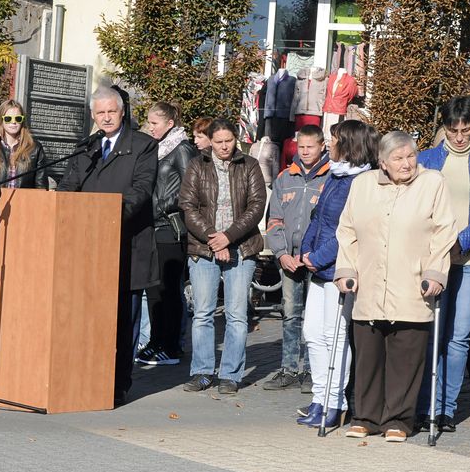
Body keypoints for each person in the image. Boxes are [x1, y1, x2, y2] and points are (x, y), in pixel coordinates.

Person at [335, 130, 457, 442]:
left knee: (406, 357)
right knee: (368, 356)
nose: (406, 163)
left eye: (411, 156)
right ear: (382, 163)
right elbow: (347, 229)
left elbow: (445, 231)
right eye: (398, 158)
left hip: (412, 283)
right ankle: (365, 416)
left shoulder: (432, 183)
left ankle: (399, 420)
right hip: (369, 284)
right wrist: (347, 269)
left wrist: (434, 271)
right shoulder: (363, 185)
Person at [58, 87, 159, 406]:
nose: (105, 117)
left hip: (125, 246)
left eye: (111, 112)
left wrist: (105, 218)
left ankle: (118, 384)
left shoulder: (142, 146)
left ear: (122, 112)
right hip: (85, 251)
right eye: (100, 113)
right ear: (93, 115)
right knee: (86, 318)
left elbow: (141, 191)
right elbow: (67, 186)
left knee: (121, 321)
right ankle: (84, 377)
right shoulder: (85, 147)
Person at [414, 97, 470, 432]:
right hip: (433, 261)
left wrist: (459, 241)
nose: (461, 137)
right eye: (454, 130)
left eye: (467, 130)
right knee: (431, 332)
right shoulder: (427, 160)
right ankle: (426, 405)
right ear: (444, 128)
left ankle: (447, 409)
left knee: (458, 336)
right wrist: (437, 247)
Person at [295, 121, 378, 428]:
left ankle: (335, 402)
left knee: (335, 336)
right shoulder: (335, 173)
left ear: (349, 143)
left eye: (333, 140)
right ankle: (319, 397)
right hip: (318, 266)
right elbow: (318, 218)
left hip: (339, 268)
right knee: (313, 334)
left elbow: (350, 229)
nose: (329, 145)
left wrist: (318, 256)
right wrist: (306, 250)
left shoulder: (363, 181)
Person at [178, 118, 266, 395]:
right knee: (203, 313)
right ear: (210, 142)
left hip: (241, 246)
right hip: (204, 248)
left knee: (236, 314)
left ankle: (230, 373)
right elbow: (188, 206)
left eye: (228, 140)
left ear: (235, 140)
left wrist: (229, 236)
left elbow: (256, 205)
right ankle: (203, 371)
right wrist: (214, 238)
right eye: (218, 141)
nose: (224, 146)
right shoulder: (196, 165)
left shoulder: (249, 165)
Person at [263, 124, 330, 392]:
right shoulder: (283, 179)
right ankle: (289, 369)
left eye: (310, 147)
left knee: (317, 319)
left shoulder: (330, 179)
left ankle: (315, 371)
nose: (304, 152)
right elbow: (274, 220)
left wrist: (316, 255)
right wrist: (281, 254)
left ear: (322, 146)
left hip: (317, 262)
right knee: (290, 315)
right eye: (301, 147)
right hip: (289, 261)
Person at [135, 102, 198, 366]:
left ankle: (171, 345)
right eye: (148, 122)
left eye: (154, 123)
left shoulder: (181, 149)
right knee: (153, 287)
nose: (150, 128)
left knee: (168, 288)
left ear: (169, 124)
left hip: (170, 227)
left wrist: (162, 205)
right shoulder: (155, 149)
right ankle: (155, 341)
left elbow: (189, 187)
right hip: (151, 224)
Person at [0, 100, 47, 191]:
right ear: (0, 121)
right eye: (8, 118)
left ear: (22, 121)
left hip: (25, 203)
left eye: (18, 118)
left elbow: (41, 188)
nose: (13, 122)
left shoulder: (35, 149)